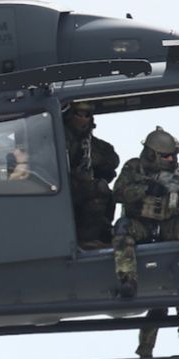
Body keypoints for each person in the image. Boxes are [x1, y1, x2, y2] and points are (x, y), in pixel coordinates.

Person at [112, 127, 179, 359]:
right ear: (153, 154)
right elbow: (119, 193)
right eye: (166, 157)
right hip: (141, 226)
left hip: (167, 227)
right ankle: (127, 279)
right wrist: (149, 188)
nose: (172, 161)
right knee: (122, 230)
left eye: (172, 157)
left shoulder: (178, 175)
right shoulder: (134, 168)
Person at [63, 102, 118, 249]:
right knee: (98, 189)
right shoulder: (60, 138)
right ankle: (88, 240)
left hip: (82, 189)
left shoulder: (90, 142)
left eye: (86, 115)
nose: (82, 119)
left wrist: (98, 160)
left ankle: (101, 232)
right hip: (63, 190)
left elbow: (111, 161)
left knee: (108, 193)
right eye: (78, 114)